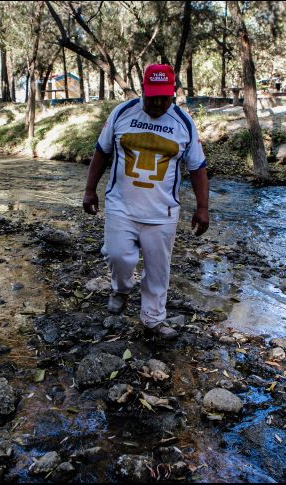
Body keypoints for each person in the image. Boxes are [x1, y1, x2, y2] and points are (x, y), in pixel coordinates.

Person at [82, 64, 209, 340]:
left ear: (173, 93)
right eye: (152, 97)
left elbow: (198, 167)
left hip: (162, 212)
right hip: (121, 206)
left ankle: (153, 318)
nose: (158, 103)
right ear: (143, 90)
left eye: (165, 97)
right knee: (117, 255)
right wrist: (90, 190)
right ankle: (121, 288)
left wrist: (202, 207)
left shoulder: (183, 123)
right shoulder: (122, 113)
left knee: (157, 270)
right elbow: (101, 152)